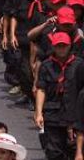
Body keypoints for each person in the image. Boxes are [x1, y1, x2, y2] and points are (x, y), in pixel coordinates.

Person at [34, 31, 84, 160]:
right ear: (53, 46)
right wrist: (38, 112)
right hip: (53, 113)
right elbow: (41, 89)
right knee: (53, 151)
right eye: (58, 46)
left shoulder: (79, 65)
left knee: (73, 149)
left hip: (74, 114)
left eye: (64, 45)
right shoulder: (46, 65)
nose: (61, 49)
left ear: (70, 46)